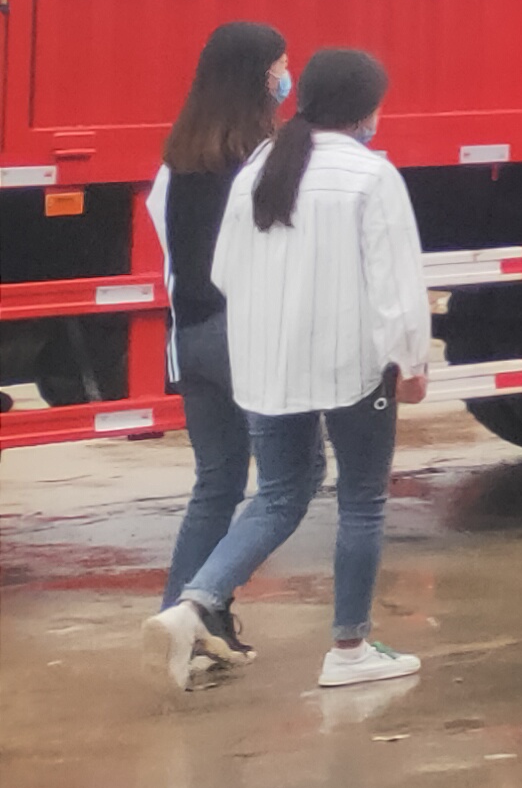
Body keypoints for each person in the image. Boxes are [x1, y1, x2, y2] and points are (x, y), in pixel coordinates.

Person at [143, 48, 433, 694]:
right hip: (352, 367)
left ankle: (194, 605)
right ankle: (349, 648)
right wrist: (411, 362)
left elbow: (222, 272)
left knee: (276, 493)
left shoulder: (257, 170)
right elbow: (397, 287)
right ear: (364, 107)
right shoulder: (371, 175)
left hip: (269, 367)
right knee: (363, 501)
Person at [142, 20, 292, 681]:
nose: (288, 78)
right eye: (282, 67)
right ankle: (198, 608)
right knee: (292, 483)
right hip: (250, 334)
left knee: (216, 485)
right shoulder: (266, 160)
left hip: (194, 336)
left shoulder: (175, 161)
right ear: (260, 77)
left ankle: (189, 619)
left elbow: (170, 250)